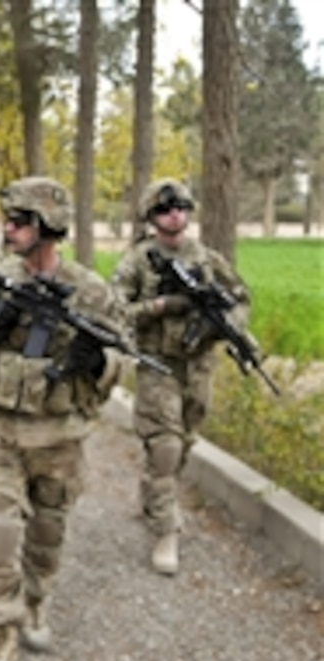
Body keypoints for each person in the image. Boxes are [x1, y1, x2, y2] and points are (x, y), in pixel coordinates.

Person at [0, 177, 124, 661]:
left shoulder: (90, 290)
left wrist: (97, 362)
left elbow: (118, 361)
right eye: (8, 219)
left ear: (49, 226)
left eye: (21, 221)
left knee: (48, 530)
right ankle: (2, 631)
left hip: (59, 435)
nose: (9, 229)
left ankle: (38, 600)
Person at [111, 179, 251, 576]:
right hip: (158, 363)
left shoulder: (207, 259)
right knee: (165, 445)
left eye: (180, 207)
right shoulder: (137, 260)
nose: (174, 215)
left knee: (186, 440)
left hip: (198, 365)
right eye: (164, 209)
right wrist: (162, 306)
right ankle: (166, 530)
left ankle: (154, 492)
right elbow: (116, 308)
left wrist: (227, 324)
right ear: (151, 217)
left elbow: (240, 296)